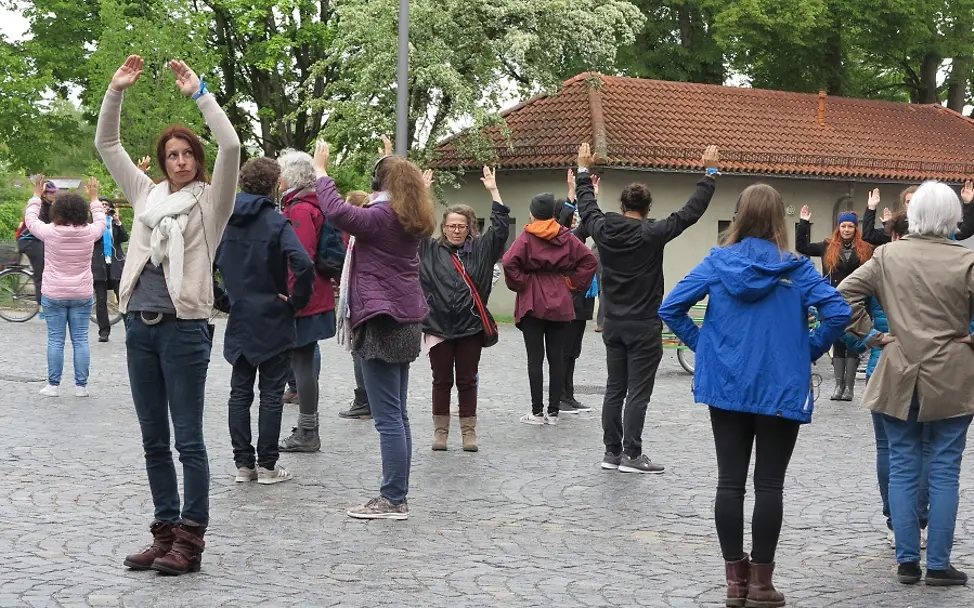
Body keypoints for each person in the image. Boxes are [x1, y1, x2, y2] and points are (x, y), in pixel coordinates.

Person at [659, 183, 851, 608]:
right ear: (779, 221)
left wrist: (705, 347)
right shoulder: (797, 268)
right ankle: (762, 584)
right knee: (769, 485)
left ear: (740, 216)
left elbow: (670, 307)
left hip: (727, 385)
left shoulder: (718, 262)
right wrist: (808, 350)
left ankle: (734, 582)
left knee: (730, 482)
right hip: (780, 385)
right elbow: (838, 311)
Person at [96, 55, 241, 575]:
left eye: (186, 154)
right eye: (171, 154)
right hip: (140, 327)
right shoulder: (146, 196)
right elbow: (107, 146)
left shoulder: (212, 201)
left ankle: (191, 540)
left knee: (189, 439)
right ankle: (163, 533)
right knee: (153, 438)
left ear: (196, 160)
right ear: (162, 161)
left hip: (185, 331)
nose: (179, 161)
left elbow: (231, 145)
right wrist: (116, 91)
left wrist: (201, 93)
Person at [839, 181, 974, 587]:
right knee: (945, 470)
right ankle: (937, 565)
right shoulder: (966, 260)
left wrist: (872, 336)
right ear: (953, 217)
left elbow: (842, 296)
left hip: (898, 367)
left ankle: (906, 561)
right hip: (952, 371)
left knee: (901, 465)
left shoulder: (887, 255)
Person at [575, 142, 719, 474]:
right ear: (647, 207)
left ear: (622, 204)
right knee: (637, 392)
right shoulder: (653, 233)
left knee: (615, 388)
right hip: (644, 325)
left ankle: (611, 453)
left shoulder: (603, 228)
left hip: (612, 322)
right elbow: (689, 214)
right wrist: (708, 175)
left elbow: (587, 206)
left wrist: (583, 170)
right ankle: (633, 455)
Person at [313, 141, 434, 520]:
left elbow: (334, 210)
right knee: (398, 414)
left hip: (381, 319)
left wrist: (321, 170)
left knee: (387, 418)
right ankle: (397, 493)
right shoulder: (409, 217)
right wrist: (394, 158)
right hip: (404, 319)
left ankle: (393, 498)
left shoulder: (381, 218)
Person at [216, 157, 315, 485]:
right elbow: (303, 263)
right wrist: (296, 301)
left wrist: (225, 301)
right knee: (271, 394)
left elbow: (201, 265)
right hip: (273, 316)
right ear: (274, 184)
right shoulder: (276, 222)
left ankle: (244, 465)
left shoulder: (224, 221)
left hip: (242, 315)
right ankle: (269, 466)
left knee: (239, 392)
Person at [841, 212, 931, 551]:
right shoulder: (935, 264)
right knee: (924, 448)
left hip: (886, 361)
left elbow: (842, 299)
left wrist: (868, 338)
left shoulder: (881, 263)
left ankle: (895, 521)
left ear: (892, 236)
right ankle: (920, 522)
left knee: (888, 448)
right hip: (931, 363)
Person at [421, 167, 510, 451]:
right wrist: (423, 194)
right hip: (438, 327)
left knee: (468, 381)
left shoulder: (482, 251)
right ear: (443, 228)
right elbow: (416, 224)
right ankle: (440, 433)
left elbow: (500, 229)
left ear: (470, 227)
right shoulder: (430, 250)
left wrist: (494, 192)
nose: (455, 230)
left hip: (470, 328)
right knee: (441, 380)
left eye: (461, 226)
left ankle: (468, 433)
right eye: (450, 226)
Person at [502, 186, 597, 427]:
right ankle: (554, 412)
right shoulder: (565, 235)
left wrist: (522, 283)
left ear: (532, 213)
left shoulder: (527, 236)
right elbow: (589, 260)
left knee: (535, 357)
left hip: (533, 298)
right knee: (557, 358)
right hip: (560, 297)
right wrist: (574, 283)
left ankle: (536, 411)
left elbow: (509, 262)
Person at [276, 148, 338, 452]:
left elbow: (299, 259)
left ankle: (308, 431)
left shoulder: (300, 208)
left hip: (305, 298)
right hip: (316, 294)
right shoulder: (312, 203)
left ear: (290, 175)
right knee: (303, 363)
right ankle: (307, 428)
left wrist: (291, 299)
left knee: (301, 365)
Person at [25, 176, 107, 397]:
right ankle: (81, 386)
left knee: (55, 339)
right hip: (81, 292)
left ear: (57, 212)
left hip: (54, 292)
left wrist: (36, 195)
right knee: (81, 339)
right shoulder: (89, 233)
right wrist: (94, 198)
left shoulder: (50, 232)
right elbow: (101, 221)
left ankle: (53, 385)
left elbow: (30, 220)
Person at [795, 205, 873, 401]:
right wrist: (803, 223)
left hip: (857, 300)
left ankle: (850, 388)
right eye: (843, 226)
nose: (847, 230)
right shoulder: (827, 246)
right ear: (838, 228)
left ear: (856, 229)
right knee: (837, 340)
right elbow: (801, 247)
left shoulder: (866, 249)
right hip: (833, 300)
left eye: (850, 227)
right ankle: (838, 386)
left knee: (854, 341)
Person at [560, 169, 599, 413]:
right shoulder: (562, 239)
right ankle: (561, 395)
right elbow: (571, 226)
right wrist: (574, 194)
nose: (575, 222)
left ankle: (569, 394)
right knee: (565, 352)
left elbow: (588, 225)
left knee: (573, 352)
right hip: (568, 303)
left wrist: (591, 198)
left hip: (582, 303)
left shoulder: (578, 239)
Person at [337, 189, 373, 420]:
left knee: (360, 350)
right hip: (369, 296)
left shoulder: (355, 233)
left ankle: (364, 400)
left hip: (360, 297)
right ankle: (370, 398)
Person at [861, 181, 974, 245]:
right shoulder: (898, 225)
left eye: (916, 201)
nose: (912, 205)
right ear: (904, 204)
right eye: (909, 202)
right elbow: (869, 236)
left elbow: (965, 231)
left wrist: (968, 203)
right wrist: (871, 208)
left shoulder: (937, 223)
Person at [91, 198, 128, 342]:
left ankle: (129, 329)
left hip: (115, 265)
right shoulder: (93, 223)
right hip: (99, 265)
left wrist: (118, 222)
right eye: (101, 205)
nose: (104, 207)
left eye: (106, 205)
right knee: (101, 301)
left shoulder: (114, 223)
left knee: (122, 298)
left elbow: (124, 238)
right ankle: (104, 331)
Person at [16, 179, 58, 309]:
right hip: (29, 241)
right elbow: (41, 227)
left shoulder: (49, 206)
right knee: (42, 273)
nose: (54, 194)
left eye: (54, 192)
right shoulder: (39, 206)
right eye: (51, 192)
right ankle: (42, 306)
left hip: (37, 240)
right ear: (44, 194)